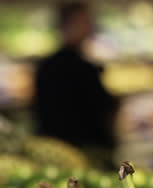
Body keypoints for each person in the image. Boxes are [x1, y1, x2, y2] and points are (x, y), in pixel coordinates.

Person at [32, 1, 120, 160]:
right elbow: (100, 106)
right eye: (85, 21)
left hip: (61, 149)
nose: (90, 27)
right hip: (84, 150)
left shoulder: (46, 66)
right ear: (68, 24)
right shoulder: (81, 68)